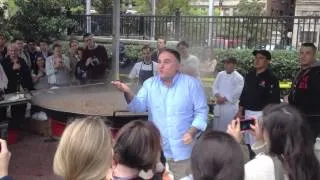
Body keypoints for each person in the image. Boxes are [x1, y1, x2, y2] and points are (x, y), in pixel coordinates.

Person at [112, 48, 208, 180]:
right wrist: (127, 92)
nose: (161, 66)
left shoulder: (192, 85)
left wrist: (191, 132)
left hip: (183, 153)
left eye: (167, 62)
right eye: (159, 62)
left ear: (178, 66)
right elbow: (137, 107)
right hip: (156, 154)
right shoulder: (150, 84)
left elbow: (202, 112)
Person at [228, 103, 320, 180]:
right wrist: (261, 141)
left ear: (272, 135)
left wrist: (234, 144)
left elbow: (237, 174)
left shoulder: (258, 167)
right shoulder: (308, 162)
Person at [236, 50, 280, 147]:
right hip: (247, 113)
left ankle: (259, 161)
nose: (257, 60)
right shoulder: (249, 75)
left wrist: (269, 118)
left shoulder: (271, 78)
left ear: (267, 61)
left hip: (261, 115)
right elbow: (244, 94)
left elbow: (274, 101)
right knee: (248, 142)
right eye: (256, 58)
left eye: (261, 58)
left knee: (258, 143)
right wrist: (240, 111)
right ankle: (252, 160)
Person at [288, 43, 320, 141]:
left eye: (307, 53)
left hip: (310, 120)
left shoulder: (317, 73)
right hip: (299, 118)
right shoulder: (303, 71)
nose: (303, 56)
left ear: (314, 55)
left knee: (304, 150)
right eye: (301, 53)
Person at [1, 44, 33, 131]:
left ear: (18, 51)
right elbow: (4, 75)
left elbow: (27, 72)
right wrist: (13, 69)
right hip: (9, 89)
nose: (13, 53)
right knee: (10, 108)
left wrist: (20, 68)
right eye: (11, 51)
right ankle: (11, 127)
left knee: (22, 106)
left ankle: (19, 125)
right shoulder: (4, 61)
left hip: (21, 88)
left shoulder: (21, 60)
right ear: (8, 52)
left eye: (15, 51)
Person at [212, 57, 244, 131]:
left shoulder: (239, 77)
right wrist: (218, 97)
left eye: (229, 63)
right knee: (216, 128)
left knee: (228, 128)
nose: (226, 65)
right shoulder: (220, 74)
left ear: (234, 65)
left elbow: (237, 92)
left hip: (229, 107)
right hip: (219, 105)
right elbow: (214, 86)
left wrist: (224, 99)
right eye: (225, 63)